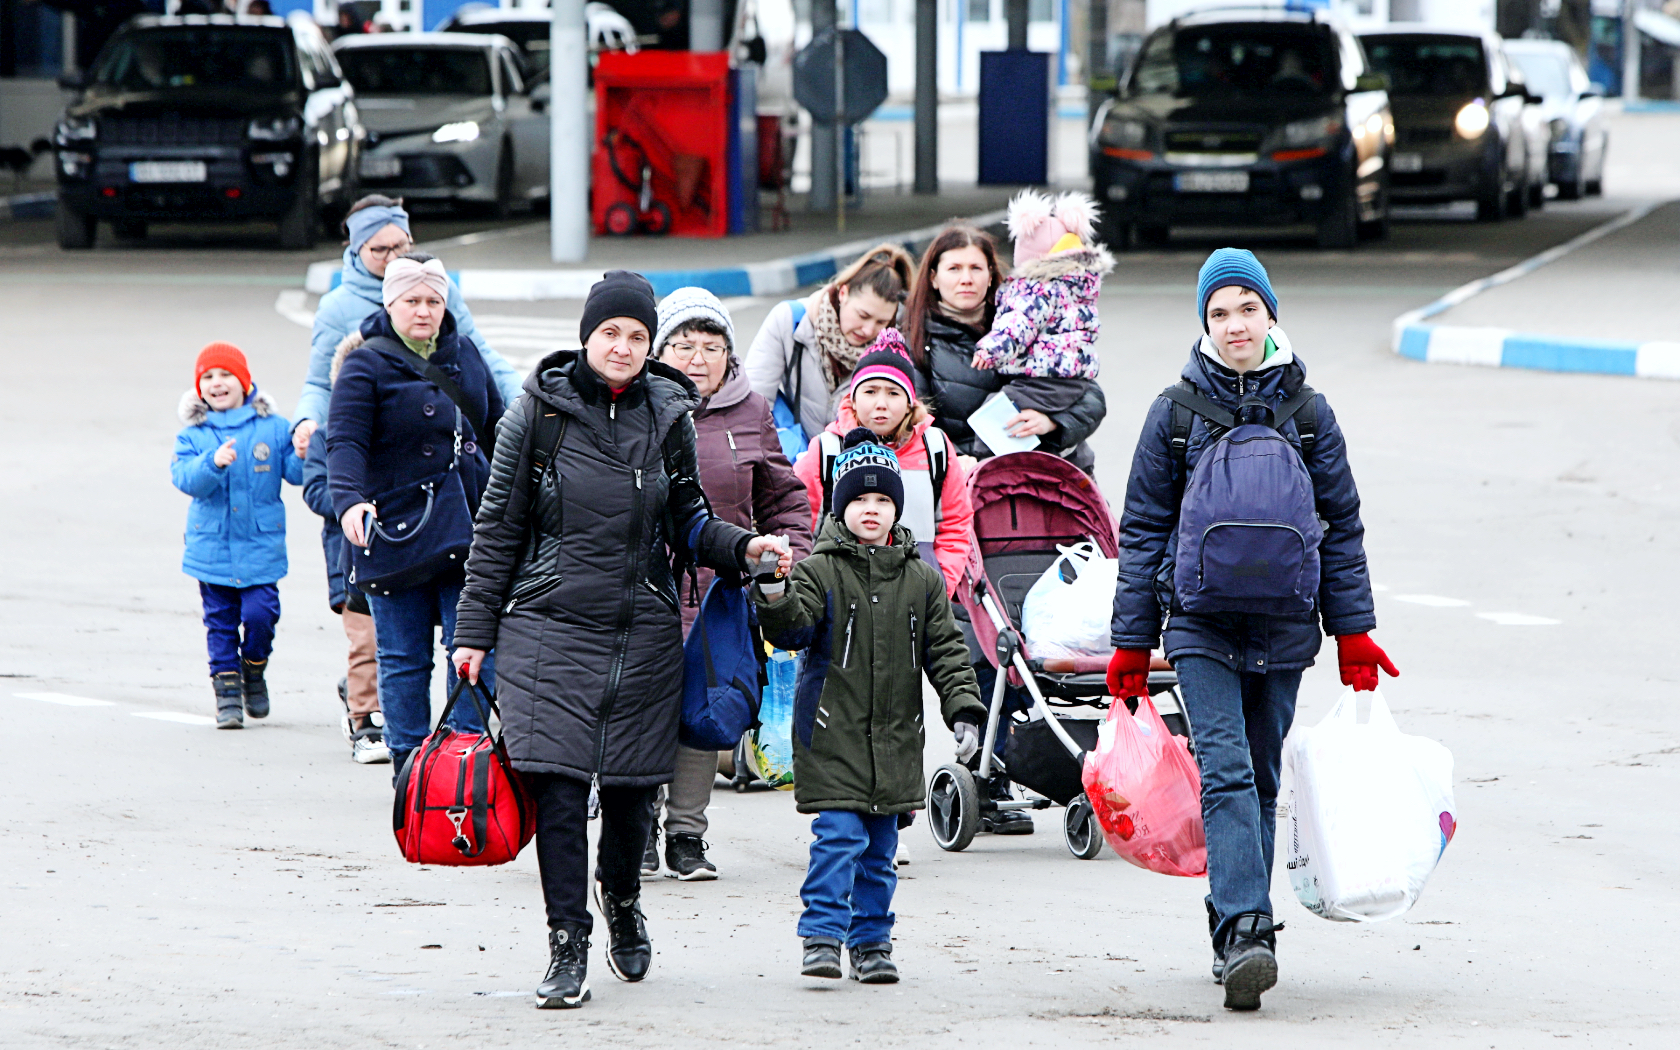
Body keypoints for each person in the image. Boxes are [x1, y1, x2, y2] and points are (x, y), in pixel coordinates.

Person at [448, 271, 793, 1010]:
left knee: (637, 793)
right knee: (562, 795)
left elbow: (692, 522)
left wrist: (746, 549)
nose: (625, 347)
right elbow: (498, 529)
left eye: (637, 336)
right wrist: (473, 632)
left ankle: (625, 898)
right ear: (587, 335)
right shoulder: (535, 415)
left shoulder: (669, 417)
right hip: (547, 629)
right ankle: (566, 942)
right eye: (612, 333)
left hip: (644, 632)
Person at [1106, 248, 1398, 1012]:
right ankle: (1247, 930)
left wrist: (1354, 631)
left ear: (1272, 312)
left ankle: (1230, 922)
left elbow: (1341, 525)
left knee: (1263, 780)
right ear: (1204, 324)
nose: (1235, 324)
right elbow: (1141, 530)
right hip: (1200, 625)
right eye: (1219, 312)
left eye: (1247, 307)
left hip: (1287, 628)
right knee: (1229, 773)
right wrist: (1133, 639)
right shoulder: (1174, 414)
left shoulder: (1310, 414)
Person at [752, 427, 985, 984]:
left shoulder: (922, 580)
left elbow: (947, 651)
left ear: (898, 507)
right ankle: (823, 935)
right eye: (859, 499)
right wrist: (774, 594)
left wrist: (964, 710)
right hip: (832, 731)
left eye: (882, 499)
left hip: (897, 738)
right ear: (840, 504)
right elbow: (792, 631)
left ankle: (873, 941)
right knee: (839, 837)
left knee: (880, 850)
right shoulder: (818, 570)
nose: (871, 509)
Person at [644, 286, 814, 880]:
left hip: (719, 593)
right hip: (645, 588)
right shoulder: (639, 406)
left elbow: (785, 496)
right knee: (641, 712)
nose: (698, 358)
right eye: (683, 345)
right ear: (660, 350)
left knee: (704, 714)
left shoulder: (751, 411)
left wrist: (791, 547)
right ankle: (636, 829)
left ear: (729, 356)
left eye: (711, 346)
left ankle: (686, 837)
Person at [327, 254, 504, 776]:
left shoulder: (465, 353)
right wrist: (349, 499)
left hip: (469, 528)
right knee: (404, 659)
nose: (423, 311)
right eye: (412, 301)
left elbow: (497, 429)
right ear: (390, 304)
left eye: (433, 300)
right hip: (395, 529)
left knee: (472, 653)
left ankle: (463, 759)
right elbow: (345, 442)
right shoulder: (365, 363)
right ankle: (409, 769)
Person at [292, 195, 521, 460]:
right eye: (379, 249)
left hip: (440, 438)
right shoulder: (336, 307)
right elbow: (320, 383)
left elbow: (480, 355)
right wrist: (306, 421)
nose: (393, 257)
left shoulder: (439, 286)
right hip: (380, 446)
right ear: (355, 248)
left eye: (401, 246)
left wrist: (520, 396)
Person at [901, 223, 1108, 472]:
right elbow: (914, 426)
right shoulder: (914, 339)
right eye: (954, 269)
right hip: (968, 481)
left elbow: (1091, 397)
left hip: (1047, 473)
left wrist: (1053, 422)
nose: (966, 279)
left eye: (975, 268)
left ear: (990, 275)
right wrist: (957, 462)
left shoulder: (1029, 317)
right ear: (933, 278)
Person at [170, 343, 303, 728]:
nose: (217, 383)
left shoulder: (273, 427)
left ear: (244, 381)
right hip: (211, 547)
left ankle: (254, 668)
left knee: (262, 615)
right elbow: (185, 479)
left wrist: (304, 449)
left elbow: (294, 474)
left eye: (226, 375)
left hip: (261, 545)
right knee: (220, 621)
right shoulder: (194, 434)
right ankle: (227, 695)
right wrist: (212, 463)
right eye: (208, 377)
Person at [791, 328, 971, 598]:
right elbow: (802, 527)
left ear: (910, 403)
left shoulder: (936, 448)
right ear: (852, 398)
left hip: (917, 600)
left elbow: (955, 523)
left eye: (894, 393)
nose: (881, 404)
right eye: (870, 391)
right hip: (842, 600)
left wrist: (940, 586)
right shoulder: (827, 449)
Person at [299, 330, 388, 764]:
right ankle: (365, 723)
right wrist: (354, 500)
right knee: (365, 641)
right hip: (349, 558)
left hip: (403, 552)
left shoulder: (399, 429)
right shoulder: (328, 435)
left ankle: (357, 690)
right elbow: (315, 490)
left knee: (397, 645)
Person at [744, 244, 914, 445]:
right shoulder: (790, 321)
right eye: (863, 315)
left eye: (880, 322)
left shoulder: (896, 347)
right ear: (843, 293)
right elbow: (752, 406)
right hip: (793, 462)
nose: (868, 330)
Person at [971, 188, 1112, 382]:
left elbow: (1019, 323)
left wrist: (990, 350)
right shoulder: (1077, 286)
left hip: (1041, 378)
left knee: (994, 408)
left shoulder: (1037, 290)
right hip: (1075, 377)